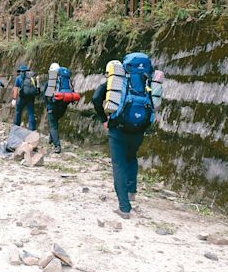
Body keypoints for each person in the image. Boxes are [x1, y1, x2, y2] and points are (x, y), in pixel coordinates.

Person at [92, 53, 154, 220]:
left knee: (119, 164)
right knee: (131, 158)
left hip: (118, 129)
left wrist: (104, 118)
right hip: (139, 128)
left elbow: (96, 97)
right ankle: (132, 191)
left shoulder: (116, 83)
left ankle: (124, 208)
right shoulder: (145, 81)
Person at [42, 63, 80, 153]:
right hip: (64, 105)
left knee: (53, 125)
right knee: (55, 122)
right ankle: (51, 139)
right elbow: (72, 91)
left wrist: (48, 105)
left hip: (54, 105)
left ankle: (57, 146)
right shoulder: (67, 80)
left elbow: (46, 95)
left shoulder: (52, 81)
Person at [11, 65, 38, 131]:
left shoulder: (19, 77)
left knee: (18, 111)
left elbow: (16, 89)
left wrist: (14, 98)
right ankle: (32, 129)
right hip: (31, 97)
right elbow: (36, 87)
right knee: (31, 112)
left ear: (21, 71)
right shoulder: (32, 77)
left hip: (22, 97)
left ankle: (16, 126)